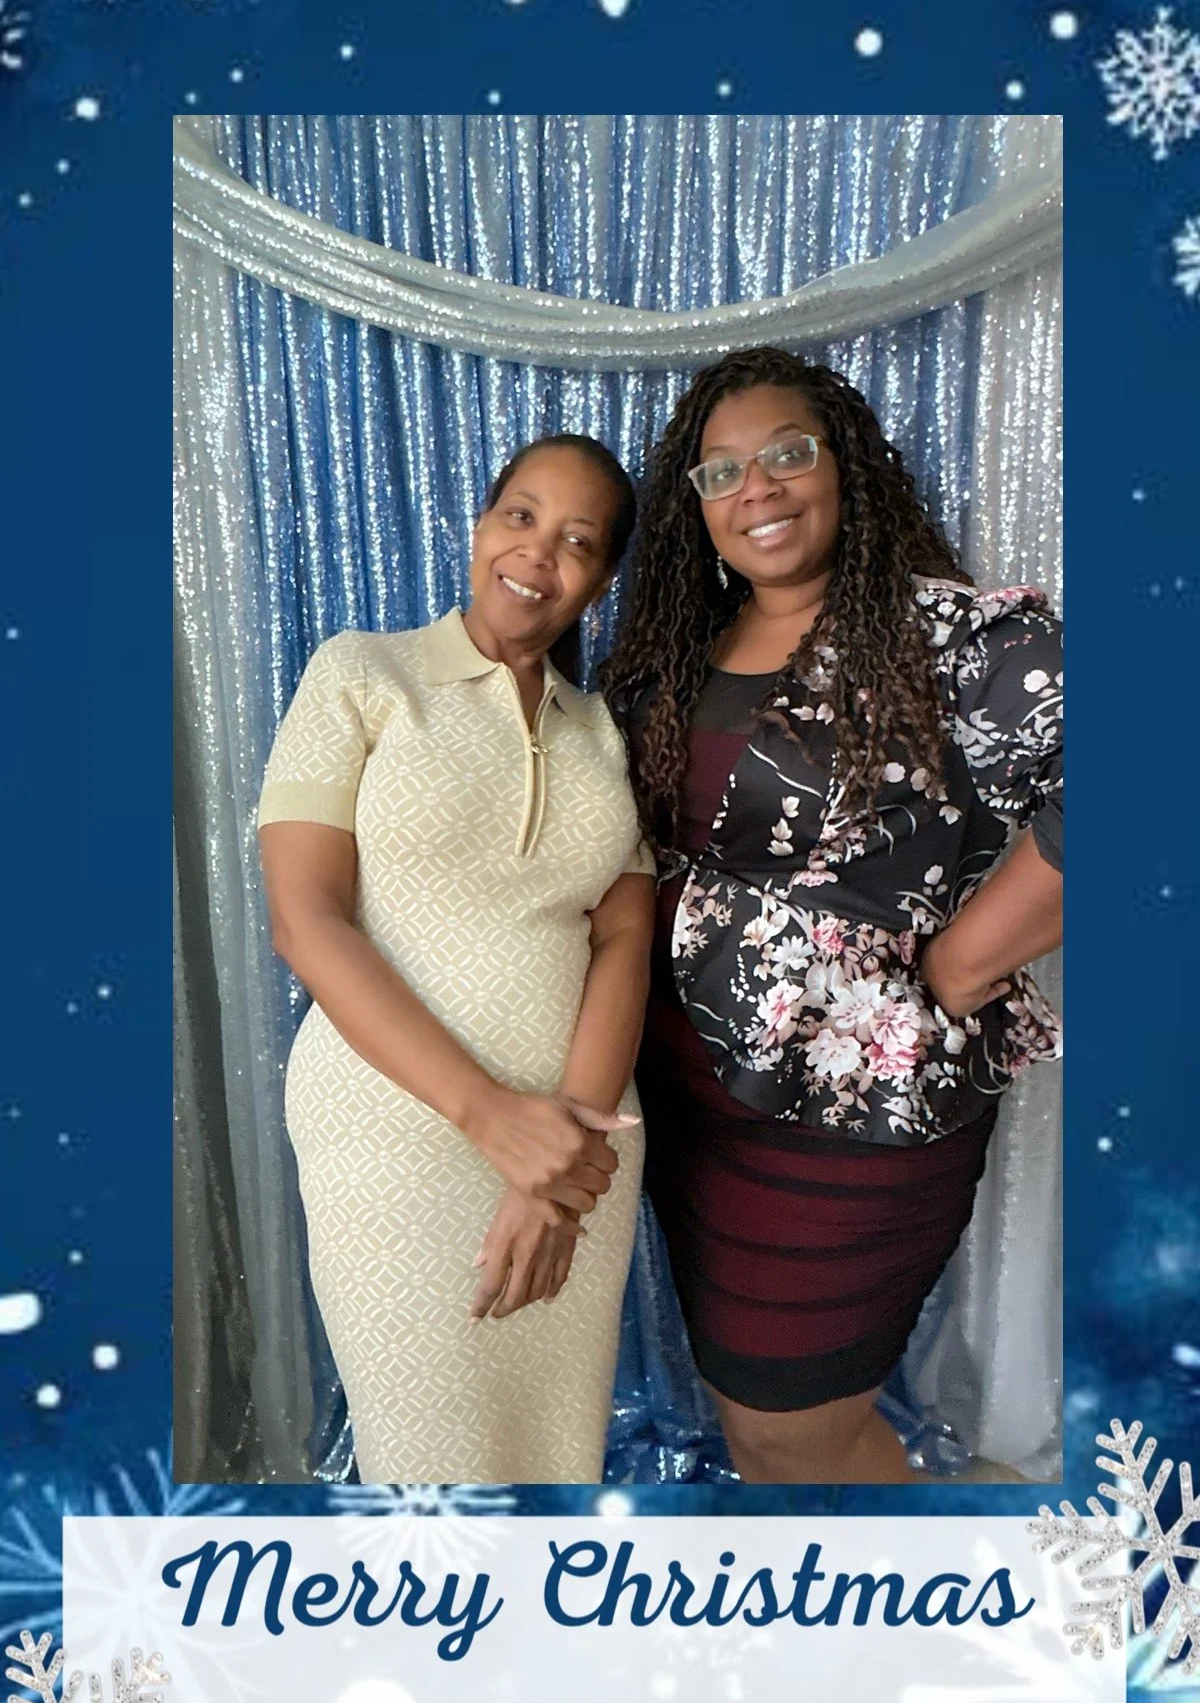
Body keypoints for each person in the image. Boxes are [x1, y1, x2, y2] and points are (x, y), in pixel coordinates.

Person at [603, 348, 1062, 1486]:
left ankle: (928, 1632)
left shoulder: (957, 642)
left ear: (846, 466)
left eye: (786, 455)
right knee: (758, 1426)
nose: (754, 489)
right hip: (688, 1109)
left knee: (786, 1434)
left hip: (858, 1120)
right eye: (719, 474)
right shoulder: (670, 661)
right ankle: (877, 1620)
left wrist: (963, 959)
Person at [257, 434, 656, 1485]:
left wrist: (559, 1165)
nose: (537, 553)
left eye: (578, 540)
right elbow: (306, 922)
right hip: (391, 1134)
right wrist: (491, 1117)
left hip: (584, 1147)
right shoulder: (361, 674)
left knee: (556, 1458)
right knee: (429, 1467)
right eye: (519, 515)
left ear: (603, 577)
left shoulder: (604, 735)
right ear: (479, 526)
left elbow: (625, 937)